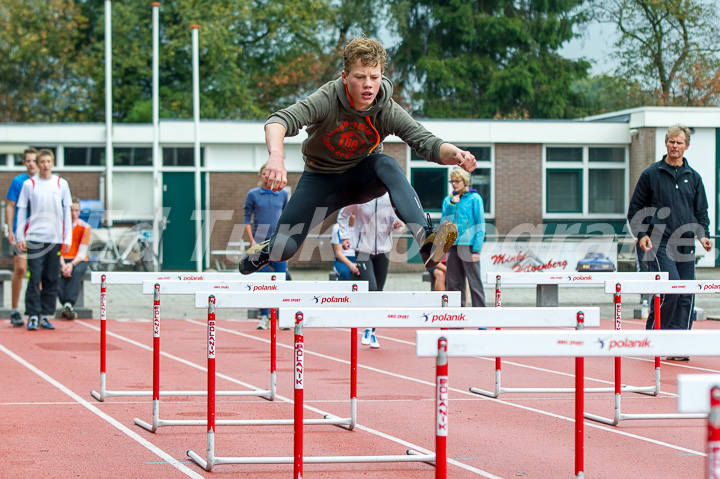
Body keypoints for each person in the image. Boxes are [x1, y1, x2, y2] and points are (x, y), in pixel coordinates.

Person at [239, 36, 475, 277]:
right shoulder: (328, 98)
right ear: (344, 77)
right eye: (360, 77)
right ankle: (267, 250)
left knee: (387, 164)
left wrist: (456, 153)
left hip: (361, 179)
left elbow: (428, 143)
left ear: (382, 76)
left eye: (375, 77)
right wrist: (276, 157)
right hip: (320, 180)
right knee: (284, 248)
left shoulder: (386, 108)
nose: (368, 86)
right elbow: (279, 120)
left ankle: (426, 240)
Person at [627, 123, 712, 361]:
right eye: (672, 141)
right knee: (671, 289)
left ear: (686, 146)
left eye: (680, 142)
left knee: (687, 294)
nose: (675, 146)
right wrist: (642, 234)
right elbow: (635, 209)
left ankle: (678, 343)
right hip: (658, 242)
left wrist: (703, 236)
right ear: (666, 143)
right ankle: (656, 337)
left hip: (686, 245)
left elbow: (701, 212)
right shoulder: (651, 174)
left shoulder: (694, 178)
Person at [338, 193, 404, 349]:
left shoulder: (391, 197)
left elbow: (401, 224)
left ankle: (371, 330)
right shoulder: (361, 196)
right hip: (362, 250)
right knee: (371, 287)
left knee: (378, 292)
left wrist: (398, 225)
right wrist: (345, 237)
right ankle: (367, 325)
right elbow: (343, 215)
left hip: (383, 250)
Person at [16, 149, 72, 331]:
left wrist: (67, 237)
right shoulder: (29, 184)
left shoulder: (61, 184)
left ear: (53, 163)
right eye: (42, 162)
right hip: (34, 237)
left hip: (54, 238)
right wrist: (20, 236)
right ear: (37, 164)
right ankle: (32, 314)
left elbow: (67, 212)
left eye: (49, 161)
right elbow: (22, 210)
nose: (45, 165)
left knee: (51, 277)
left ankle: (46, 315)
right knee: (35, 276)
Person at [244, 163, 289, 330]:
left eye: (269, 174)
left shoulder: (283, 194)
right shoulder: (253, 194)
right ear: (260, 175)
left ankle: (281, 315)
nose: (267, 177)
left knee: (280, 279)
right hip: (259, 243)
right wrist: (252, 242)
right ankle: (263, 316)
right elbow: (246, 219)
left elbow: (287, 217)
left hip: (278, 242)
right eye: (264, 173)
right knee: (261, 281)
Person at [441, 168, 486, 307]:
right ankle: (457, 319)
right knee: (453, 283)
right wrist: (452, 205)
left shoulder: (475, 198)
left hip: (469, 246)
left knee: (474, 282)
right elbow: (444, 222)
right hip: (452, 246)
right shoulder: (448, 200)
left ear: (464, 181)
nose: (454, 184)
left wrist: (477, 249)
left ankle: (480, 317)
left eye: (457, 181)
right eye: (452, 181)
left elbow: (480, 224)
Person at [4, 148, 39, 327]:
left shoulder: (46, 182)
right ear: (24, 163)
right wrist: (10, 229)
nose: (31, 163)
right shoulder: (18, 181)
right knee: (20, 269)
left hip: (41, 233)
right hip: (21, 232)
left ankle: (35, 310)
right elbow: (10, 206)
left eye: (34, 160)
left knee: (38, 273)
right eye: (28, 160)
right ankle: (15, 309)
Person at [58, 198, 91, 320]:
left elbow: (82, 252)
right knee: (56, 271)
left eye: (76, 210)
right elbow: (57, 248)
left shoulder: (85, 227)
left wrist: (71, 264)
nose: (73, 213)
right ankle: (66, 304)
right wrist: (62, 264)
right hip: (62, 258)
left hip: (78, 259)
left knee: (76, 272)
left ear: (80, 211)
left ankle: (68, 304)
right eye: (71, 210)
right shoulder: (59, 227)